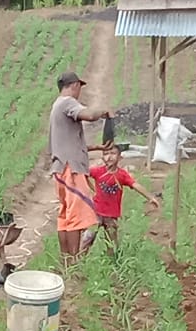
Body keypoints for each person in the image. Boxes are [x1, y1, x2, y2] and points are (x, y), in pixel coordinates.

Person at [48, 71, 112, 260]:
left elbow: (69, 142)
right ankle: (74, 262)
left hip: (60, 168)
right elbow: (89, 115)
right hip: (71, 169)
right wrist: (103, 112)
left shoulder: (56, 106)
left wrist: (96, 147)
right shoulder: (68, 103)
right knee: (76, 217)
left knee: (65, 217)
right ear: (74, 85)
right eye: (79, 87)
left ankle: (66, 261)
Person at [82, 144, 160, 254]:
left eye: (113, 154)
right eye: (106, 154)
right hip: (96, 213)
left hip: (112, 215)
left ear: (120, 158)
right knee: (87, 239)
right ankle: (78, 262)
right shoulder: (98, 171)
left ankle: (112, 264)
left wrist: (151, 197)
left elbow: (135, 185)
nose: (109, 157)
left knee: (112, 243)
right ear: (102, 158)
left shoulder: (122, 175)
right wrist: (90, 188)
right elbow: (83, 173)